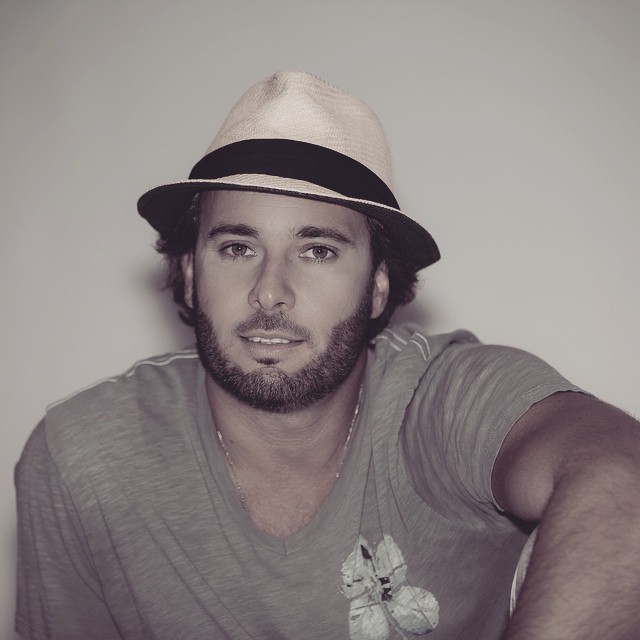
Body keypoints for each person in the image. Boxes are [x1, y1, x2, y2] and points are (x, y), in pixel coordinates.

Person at [14, 71, 640, 640]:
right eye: (237, 248)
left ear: (378, 284)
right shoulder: (85, 457)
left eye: (317, 251)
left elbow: (626, 483)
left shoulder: (442, 399)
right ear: (190, 271)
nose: (269, 291)